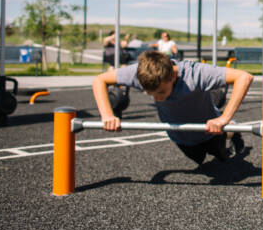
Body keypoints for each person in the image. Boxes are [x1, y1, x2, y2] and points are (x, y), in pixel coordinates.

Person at [92, 50, 254, 166]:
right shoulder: (140, 73)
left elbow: (244, 77)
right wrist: (107, 115)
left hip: (208, 130)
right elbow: (99, 80)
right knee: (198, 160)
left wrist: (223, 119)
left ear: (173, 76)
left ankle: (231, 130)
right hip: (179, 136)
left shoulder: (195, 73)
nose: (157, 98)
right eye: (150, 93)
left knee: (222, 159)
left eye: (161, 92)